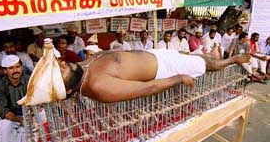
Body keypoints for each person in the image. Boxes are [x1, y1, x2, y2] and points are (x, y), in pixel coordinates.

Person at [60, 48, 250, 103]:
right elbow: (147, 88)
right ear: (67, 89)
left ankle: (212, 58)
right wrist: (179, 78)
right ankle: (232, 60)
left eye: (57, 65)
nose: (60, 65)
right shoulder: (97, 87)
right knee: (208, 64)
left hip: (156, 54)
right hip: (166, 66)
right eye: (58, 73)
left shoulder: (80, 66)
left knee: (197, 57)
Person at [0, 55, 29, 142]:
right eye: (11, 68)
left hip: (31, 114)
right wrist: (19, 119)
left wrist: (30, 115)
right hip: (13, 117)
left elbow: (37, 101)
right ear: (5, 71)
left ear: (22, 68)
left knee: (43, 116)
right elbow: (4, 110)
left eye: (17, 67)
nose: (15, 70)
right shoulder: (0, 86)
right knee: (4, 126)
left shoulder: (30, 80)